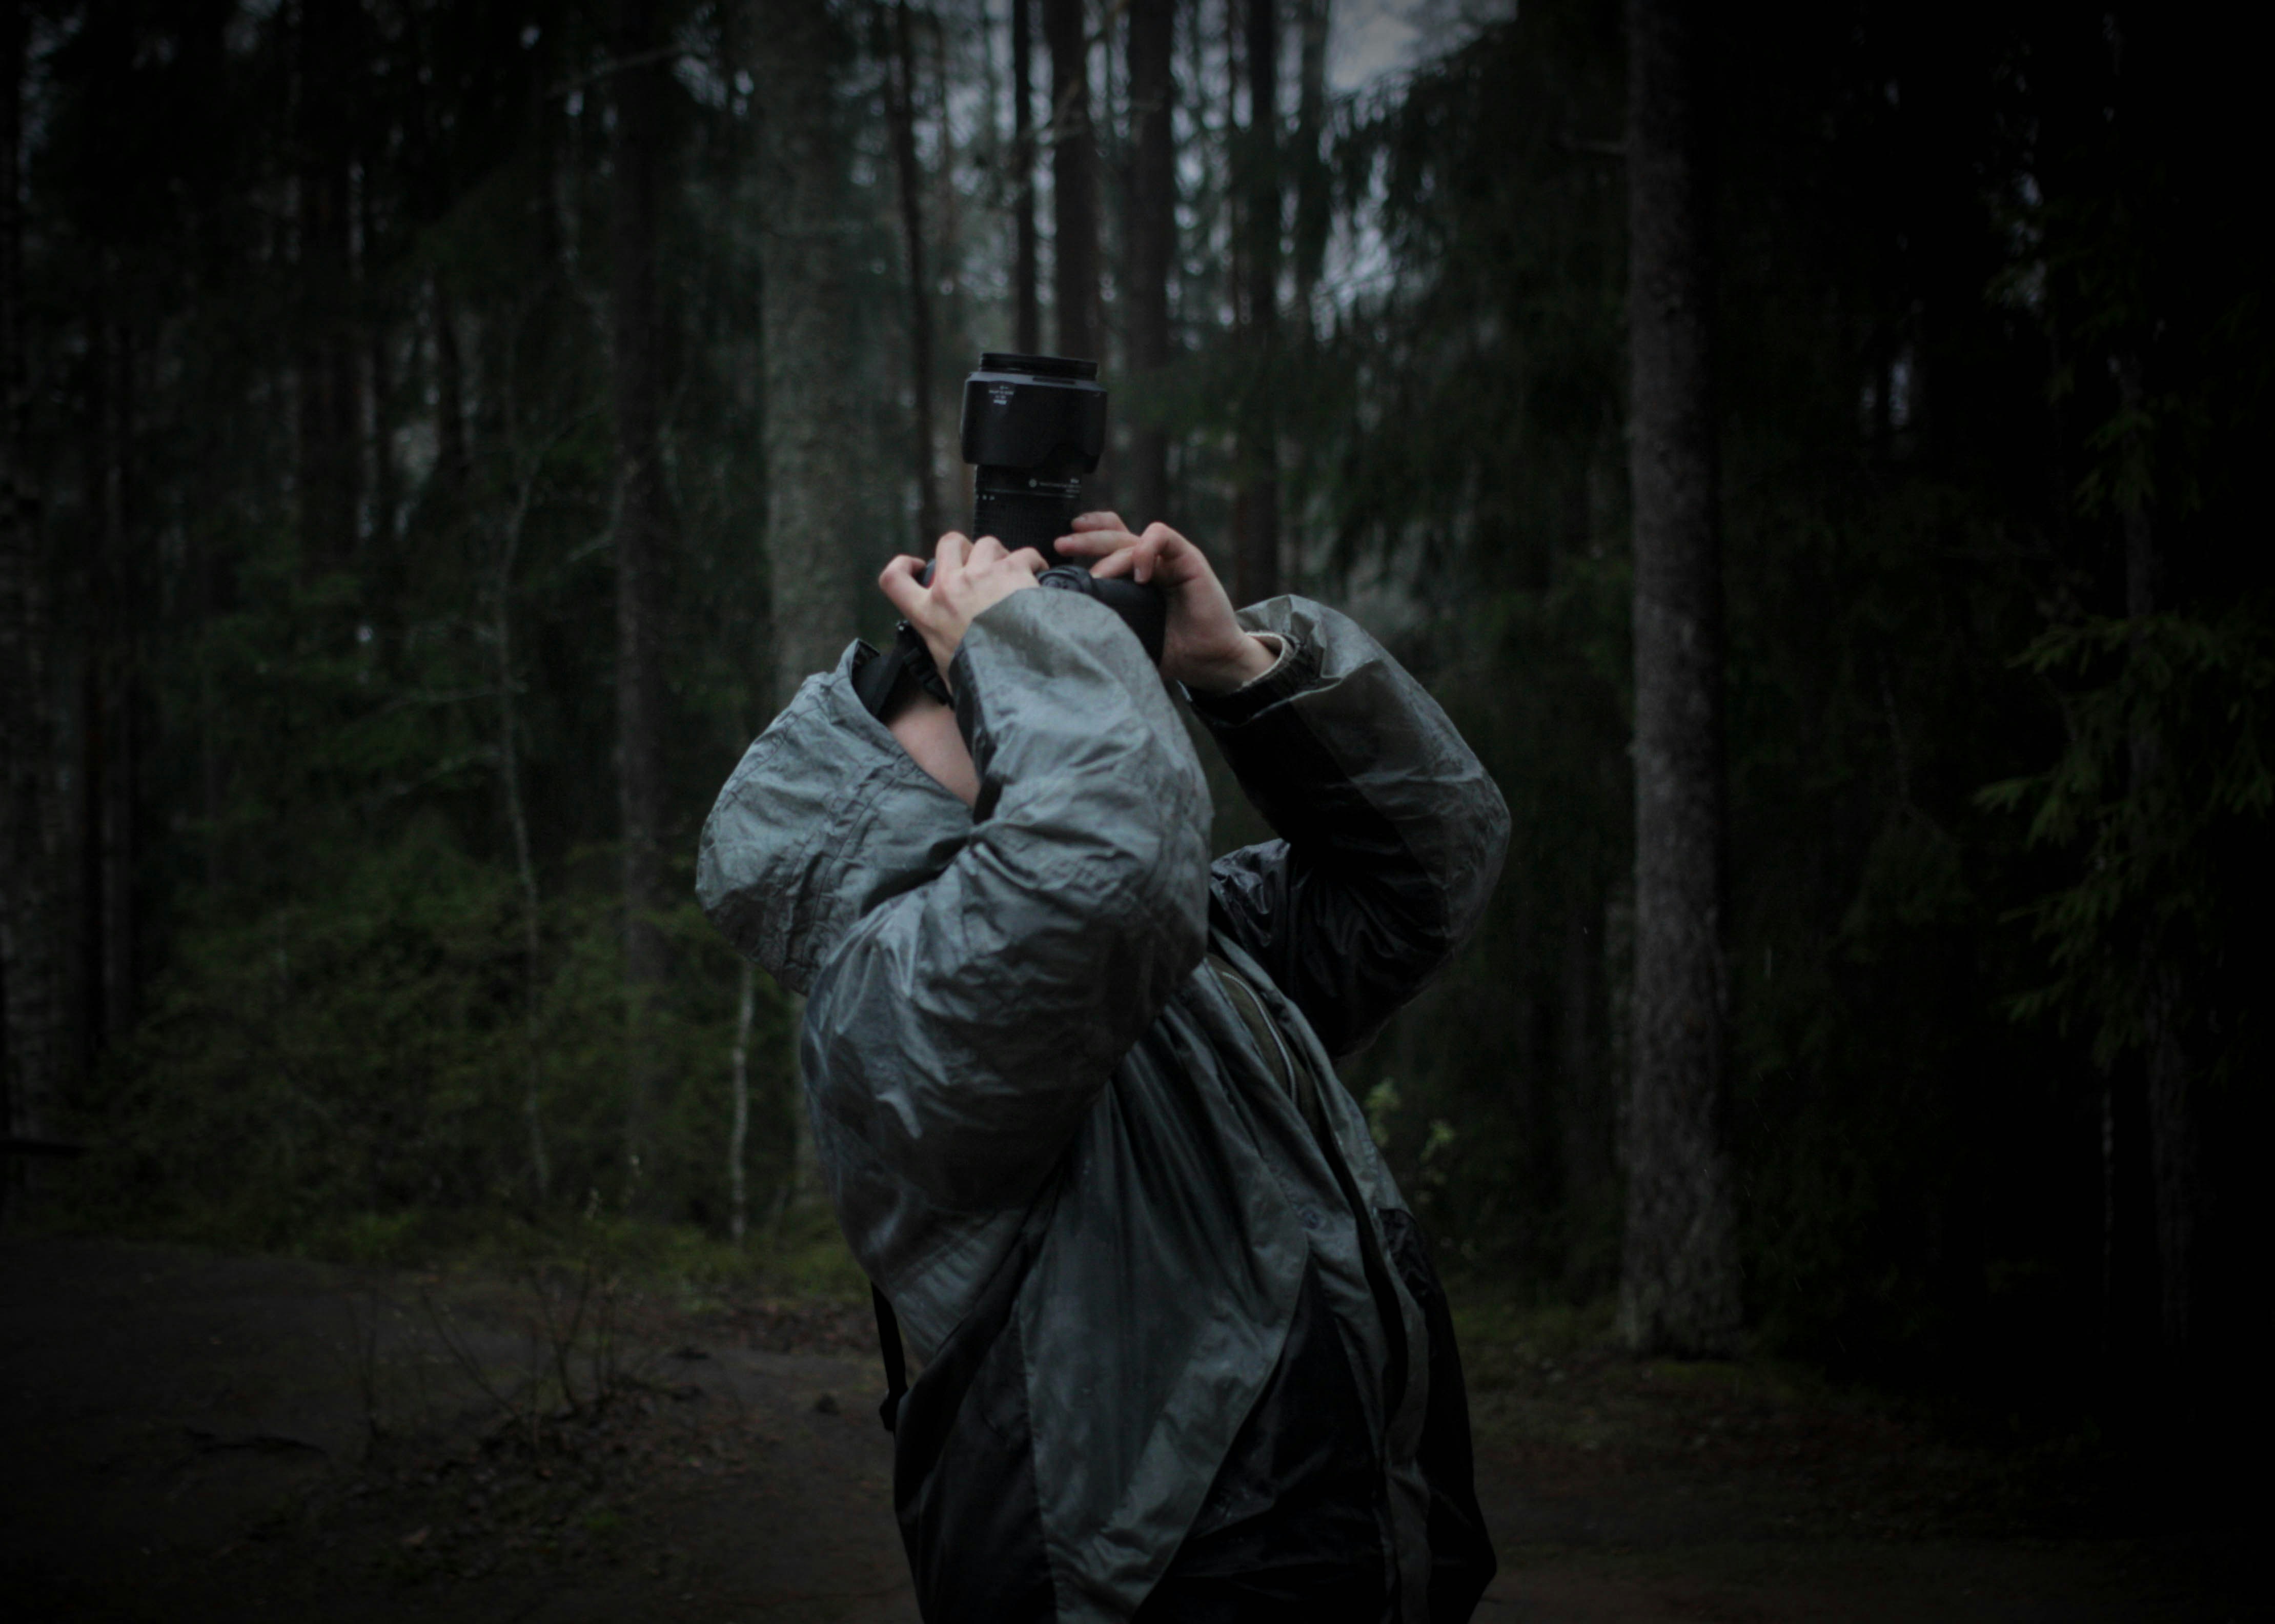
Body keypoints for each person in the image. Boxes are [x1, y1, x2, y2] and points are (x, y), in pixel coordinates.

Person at [696, 514, 1508, 1623]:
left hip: (1358, 1564)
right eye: (966, 697)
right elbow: (1101, 868)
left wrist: (1237, 672)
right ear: (875, 780)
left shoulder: (1173, 950)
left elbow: (1423, 879)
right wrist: (1019, 644)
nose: (999, 719)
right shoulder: (888, 1006)